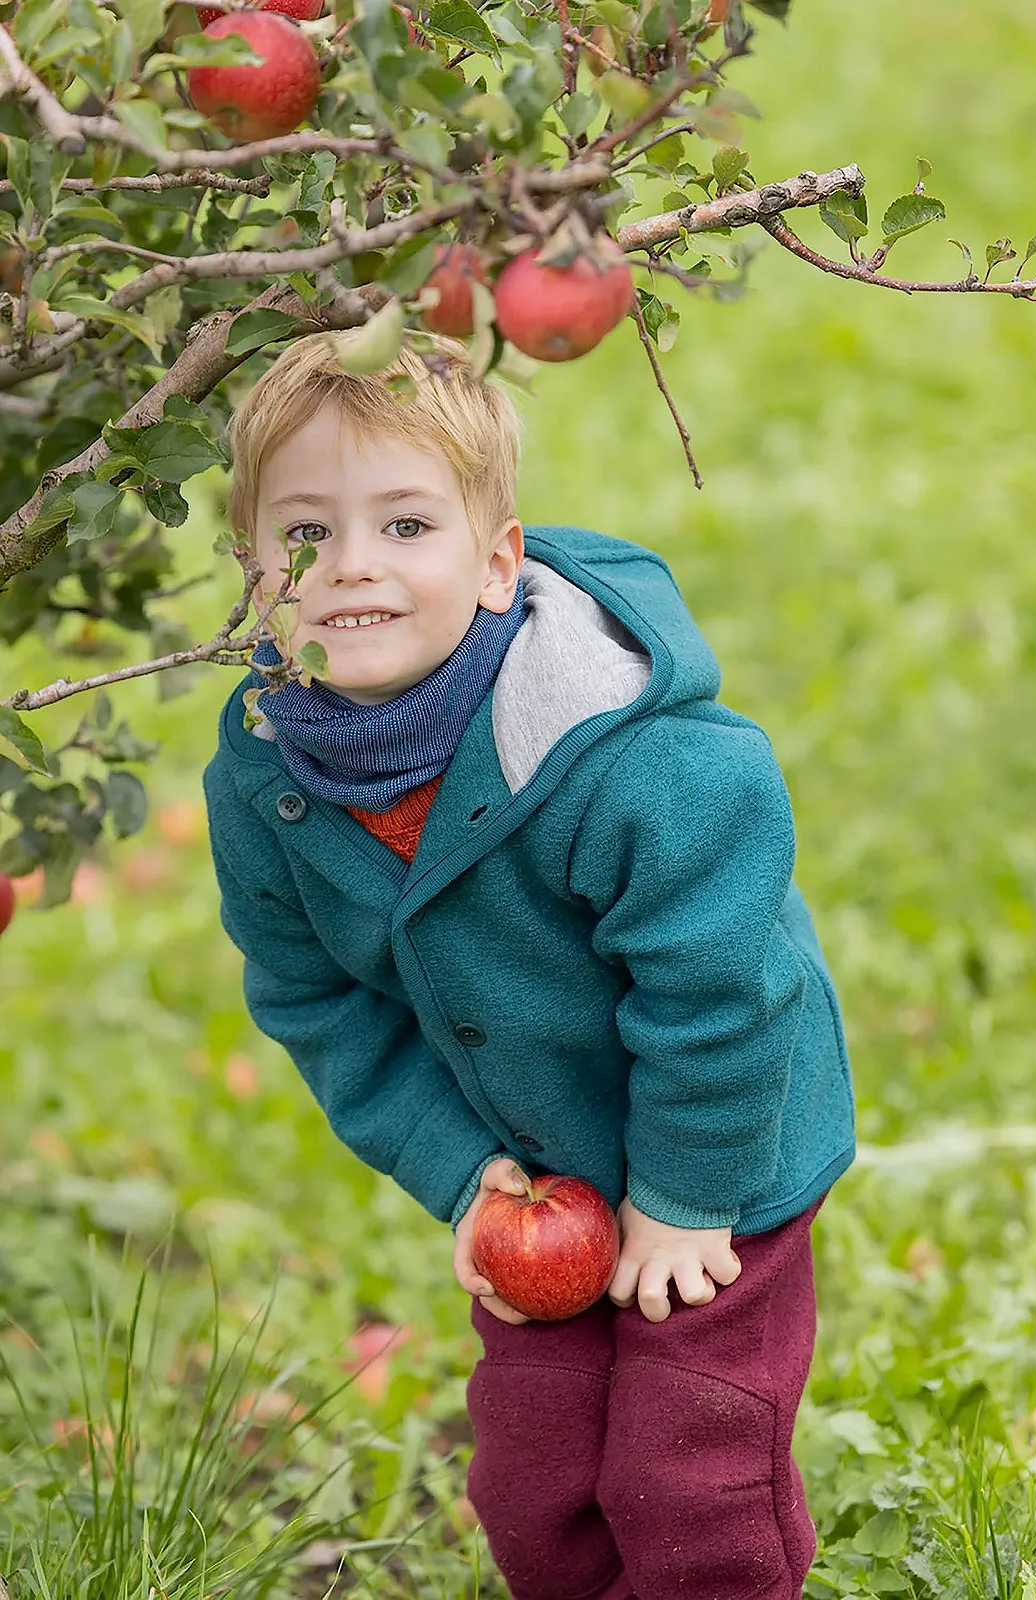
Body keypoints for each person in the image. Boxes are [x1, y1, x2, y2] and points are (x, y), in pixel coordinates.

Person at [202, 328, 856, 1600]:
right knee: (531, 1474)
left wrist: (684, 1193)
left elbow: (719, 994)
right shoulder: (267, 782)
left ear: (499, 562)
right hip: (535, 1178)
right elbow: (315, 999)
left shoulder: (625, 757)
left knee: (688, 1470)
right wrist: (461, 1172)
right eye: (302, 535)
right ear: (248, 568)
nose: (348, 567)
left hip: (720, 1149)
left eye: (404, 526)